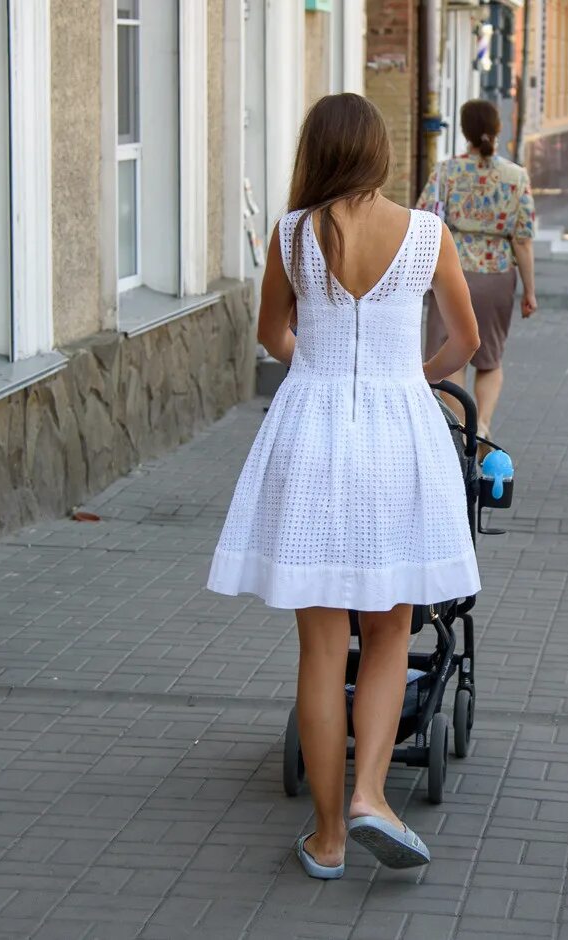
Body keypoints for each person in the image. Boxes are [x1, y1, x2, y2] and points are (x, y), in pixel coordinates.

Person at [207, 93, 482, 880]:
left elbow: (269, 333)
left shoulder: (289, 235)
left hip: (313, 434)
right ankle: (370, 794)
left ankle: (327, 840)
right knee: (391, 632)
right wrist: (412, 379)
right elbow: (464, 339)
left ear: (316, 153)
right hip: (400, 439)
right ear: (377, 152)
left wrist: (322, 371)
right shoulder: (425, 234)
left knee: (322, 650)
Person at [418, 99, 537, 445]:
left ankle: (459, 433)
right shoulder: (516, 177)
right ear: (497, 130)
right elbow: (524, 240)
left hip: (450, 274)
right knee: (490, 358)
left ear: (464, 131)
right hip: (498, 276)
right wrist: (529, 291)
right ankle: (482, 426)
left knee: (452, 354)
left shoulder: (445, 172)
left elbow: (423, 219)